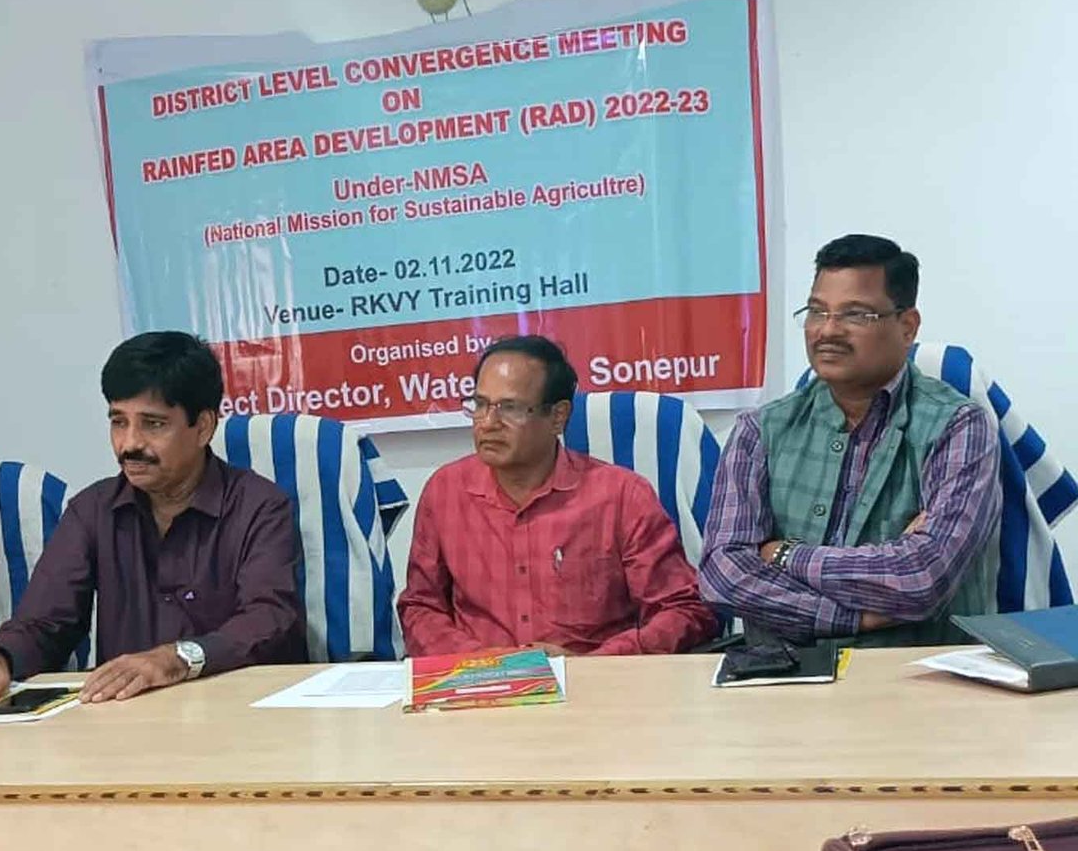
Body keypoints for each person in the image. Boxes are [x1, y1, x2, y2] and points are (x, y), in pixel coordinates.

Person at [0, 331, 305, 708]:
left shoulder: (259, 506)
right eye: (118, 422)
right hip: (125, 717)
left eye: (153, 424)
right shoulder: (92, 510)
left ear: (203, 427)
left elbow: (268, 618)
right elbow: (45, 622)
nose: (130, 443)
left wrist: (179, 658)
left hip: (239, 710)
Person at [699, 234, 1001, 646]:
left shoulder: (958, 426)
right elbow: (722, 575)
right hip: (784, 673)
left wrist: (783, 554)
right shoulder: (760, 430)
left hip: (915, 672)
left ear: (907, 326)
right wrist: (850, 618)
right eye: (816, 311)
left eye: (855, 315)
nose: (828, 330)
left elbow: (922, 578)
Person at [398, 335, 717, 656]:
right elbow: (420, 607)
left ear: (558, 416)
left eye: (510, 408)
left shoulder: (622, 496)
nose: (488, 423)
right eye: (480, 405)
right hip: (478, 679)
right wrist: (478, 660)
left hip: (593, 679)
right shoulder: (446, 491)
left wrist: (594, 663)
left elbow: (683, 610)